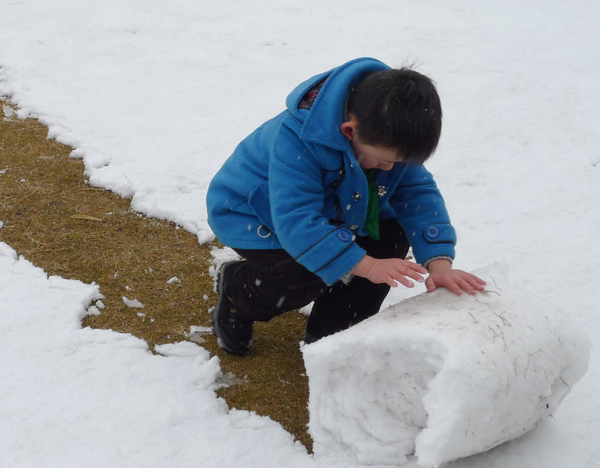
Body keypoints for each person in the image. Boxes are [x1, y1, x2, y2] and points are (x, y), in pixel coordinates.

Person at [206, 57, 485, 355]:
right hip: (255, 213)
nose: (390, 169)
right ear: (349, 131)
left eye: (399, 162)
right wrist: (366, 265)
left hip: (338, 207)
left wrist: (438, 263)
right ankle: (239, 290)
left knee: (389, 232)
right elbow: (298, 222)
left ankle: (333, 338)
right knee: (302, 275)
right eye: (382, 161)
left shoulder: (388, 135)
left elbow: (417, 193)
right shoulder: (297, 140)